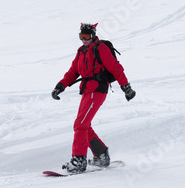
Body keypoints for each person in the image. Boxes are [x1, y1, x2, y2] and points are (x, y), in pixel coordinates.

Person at [51, 23, 136, 173]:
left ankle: (78, 161)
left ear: (93, 35)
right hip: (86, 91)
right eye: (81, 37)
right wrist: (60, 86)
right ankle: (101, 155)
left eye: (86, 37)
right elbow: (73, 72)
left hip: (97, 90)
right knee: (83, 125)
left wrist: (126, 87)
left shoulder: (101, 48)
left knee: (80, 125)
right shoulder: (81, 51)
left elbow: (116, 68)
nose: (83, 40)